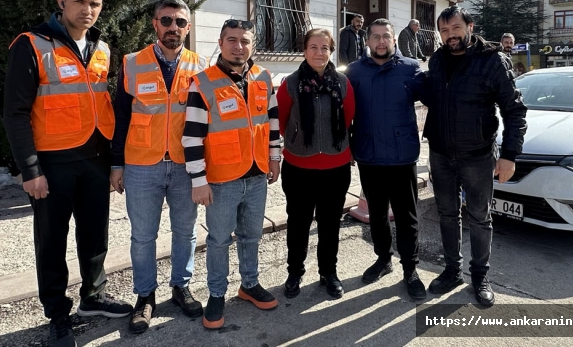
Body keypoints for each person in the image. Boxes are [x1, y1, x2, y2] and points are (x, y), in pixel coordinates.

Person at [3, 0, 132, 347]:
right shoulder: (31, 44)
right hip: (52, 164)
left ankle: (94, 297)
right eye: (80, 1)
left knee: (95, 236)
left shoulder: (102, 48)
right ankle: (58, 314)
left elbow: (102, 106)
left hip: (94, 159)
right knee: (52, 241)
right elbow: (15, 113)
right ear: (62, 1)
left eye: (95, 3)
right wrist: (30, 170)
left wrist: (113, 162)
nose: (87, 9)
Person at [110, 0, 208, 334]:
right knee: (143, 236)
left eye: (180, 22)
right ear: (155, 24)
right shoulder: (133, 63)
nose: (173, 28)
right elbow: (120, 116)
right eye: (166, 21)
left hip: (184, 166)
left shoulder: (201, 66)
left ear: (188, 28)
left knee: (186, 231)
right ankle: (145, 296)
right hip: (141, 165)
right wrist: (116, 164)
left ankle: (181, 287)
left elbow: (206, 121)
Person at [424, 6, 527, 307]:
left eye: (455, 28)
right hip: (441, 153)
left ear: (469, 26)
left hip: (478, 155)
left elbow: (514, 109)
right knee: (446, 213)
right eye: (444, 31)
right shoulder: (438, 60)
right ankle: (452, 270)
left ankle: (480, 276)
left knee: (480, 217)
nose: (450, 35)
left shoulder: (493, 60)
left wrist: (509, 155)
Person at [182, 19, 281, 329]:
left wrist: (274, 158)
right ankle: (216, 294)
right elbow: (192, 136)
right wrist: (198, 180)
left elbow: (272, 123)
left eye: (245, 41)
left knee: (252, 235)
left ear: (253, 45)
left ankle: (249, 284)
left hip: (256, 176)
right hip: (222, 181)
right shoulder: (204, 82)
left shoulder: (264, 78)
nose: (239, 46)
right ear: (221, 43)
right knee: (219, 240)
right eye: (232, 40)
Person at [345, 18, 427, 300]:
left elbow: (434, 100)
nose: (381, 41)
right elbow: (343, 112)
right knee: (376, 214)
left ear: (394, 40)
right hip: (369, 154)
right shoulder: (354, 71)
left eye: (386, 37)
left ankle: (410, 269)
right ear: (367, 41)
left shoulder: (411, 68)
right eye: (376, 36)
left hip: (401, 155)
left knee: (407, 217)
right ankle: (383, 259)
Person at [277, 28, 356, 300]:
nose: (319, 53)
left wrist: (332, 142)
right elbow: (282, 120)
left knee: (329, 223)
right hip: (299, 167)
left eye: (324, 48)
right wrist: (301, 139)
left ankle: (328, 272)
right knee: (298, 223)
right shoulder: (290, 83)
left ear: (331, 51)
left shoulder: (343, 82)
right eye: (313, 47)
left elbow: (348, 118)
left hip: (336, 167)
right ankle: (295, 272)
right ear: (304, 50)